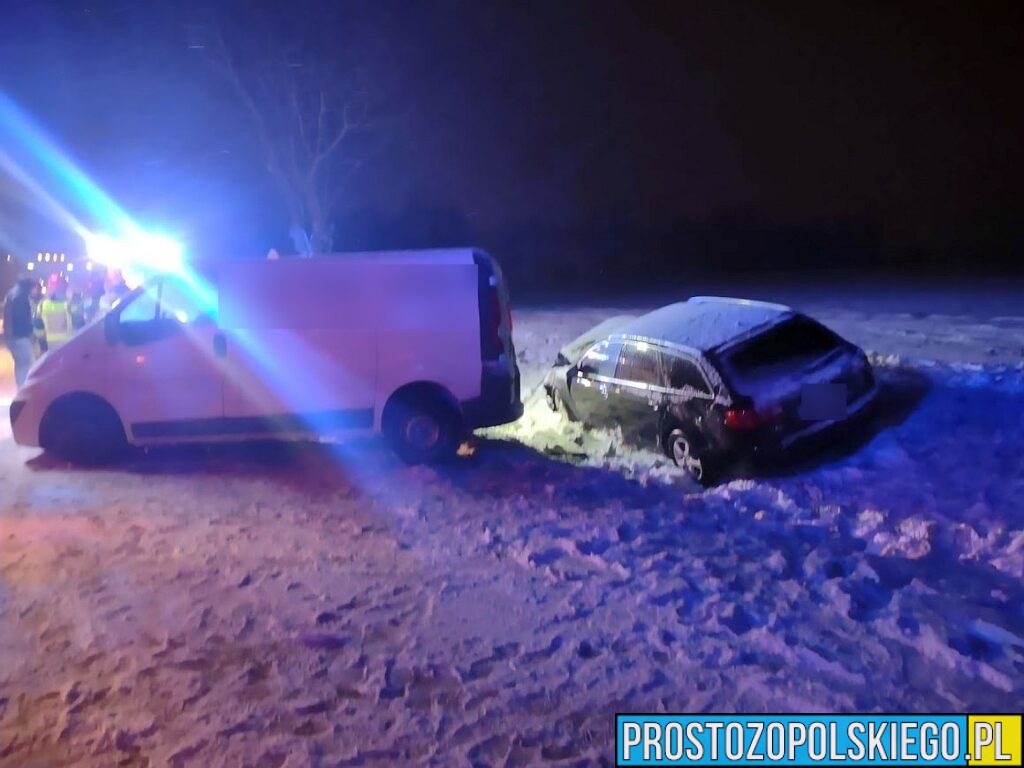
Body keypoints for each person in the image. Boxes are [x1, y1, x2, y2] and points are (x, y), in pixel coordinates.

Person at [3, 277, 40, 388]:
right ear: (27, 286)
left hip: (11, 336)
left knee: (20, 365)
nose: (34, 290)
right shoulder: (21, 297)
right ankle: (27, 390)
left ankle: (21, 388)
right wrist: (30, 332)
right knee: (31, 363)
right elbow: (22, 318)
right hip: (20, 336)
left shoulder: (12, 293)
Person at [38, 274, 74, 350]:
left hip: (49, 342)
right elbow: (75, 322)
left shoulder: (42, 304)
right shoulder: (67, 304)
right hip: (66, 342)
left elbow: (38, 324)